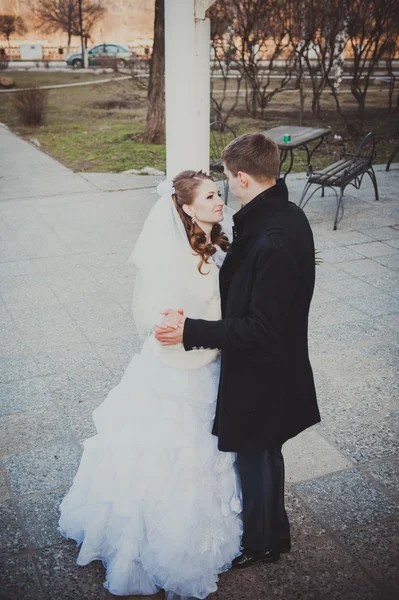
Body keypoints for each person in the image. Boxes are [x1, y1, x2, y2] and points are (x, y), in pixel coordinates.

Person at [58, 172, 242, 599]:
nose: (220, 201)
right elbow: (161, 313)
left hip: (211, 358)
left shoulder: (215, 241)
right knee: (172, 453)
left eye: (220, 193)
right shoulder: (175, 255)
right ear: (188, 207)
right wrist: (180, 327)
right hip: (182, 367)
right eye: (211, 196)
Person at [155, 133, 320, 569]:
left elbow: (261, 327)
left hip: (265, 369)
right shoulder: (285, 216)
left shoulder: (272, 238)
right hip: (272, 363)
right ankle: (272, 535)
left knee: (257, 454)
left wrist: (190, 330)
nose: (225, 188)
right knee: (263, 452)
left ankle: (264, 543)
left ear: (242, 177)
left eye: (226, 178)